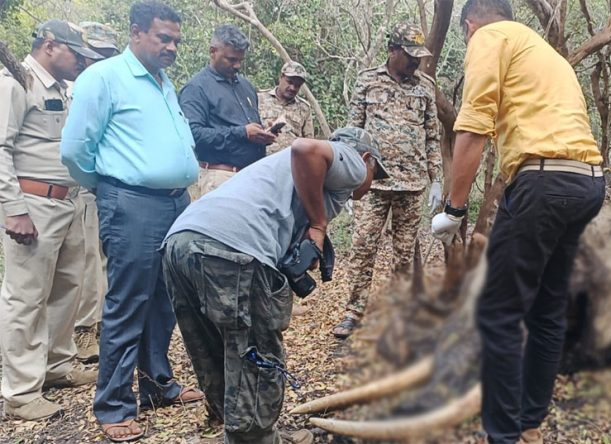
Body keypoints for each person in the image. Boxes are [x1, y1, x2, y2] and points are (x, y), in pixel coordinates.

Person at [431, 1, 605, 443]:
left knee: (498, 313)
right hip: (586, 183)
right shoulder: (546, 52)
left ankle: (503, 436)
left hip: (542, 183)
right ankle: (529, 426)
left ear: (471, 23)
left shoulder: (490, 37)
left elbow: (473, 124)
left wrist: (453, 208)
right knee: (547, 309)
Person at [161, 127, 389, 444]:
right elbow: (306, 148)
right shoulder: (351, 160)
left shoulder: (277, 173)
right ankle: (253, 438)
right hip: (233, 248)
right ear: (366, 159)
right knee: (255, 353)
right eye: (375, 172)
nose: (369, 183)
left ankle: (239, 430)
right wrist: (319, 225)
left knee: (212, 348)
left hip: (181, 241)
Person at [61, 2, 203, 441]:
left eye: (176, 40)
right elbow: (74, 151)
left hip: (174, 202)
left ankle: (158, 384)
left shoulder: (163, 82)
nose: (172, 47)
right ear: (136, 32)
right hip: (132, 203)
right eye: (164, 38)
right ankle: (113, 405)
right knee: (128, 303)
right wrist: (110, 187)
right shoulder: (103, 78)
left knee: (166, 299)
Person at [0, 19, 102, 421]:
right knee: (26, 297)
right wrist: (15, 209)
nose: (81, 61)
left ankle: (57, 365)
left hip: (69, 203)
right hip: (34, 204)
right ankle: (22, 392)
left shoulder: (62, 90)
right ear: (49, 45)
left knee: (68, 288)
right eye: (75, 53)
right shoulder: (15, 84)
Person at [333, 22, 442, 339]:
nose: (415, 62)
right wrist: (349, 181)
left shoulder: (425, 85)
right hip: (372, 186)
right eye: (410, 55)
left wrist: (436, 179)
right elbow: (352, 135)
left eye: (419, 57)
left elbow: (433, 136)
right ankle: (353, 312)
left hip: (412, 185)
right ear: (393, 50)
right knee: (362, 248)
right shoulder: (368, 81)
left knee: (404, 254)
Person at [179, 24, 276, 195]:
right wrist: (243, 132)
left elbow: (248, 128)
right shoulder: (196, 88)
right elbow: (194, 135)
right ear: (213, 51)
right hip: (221, 177)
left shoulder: (246, 86)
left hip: (254, 175)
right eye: (231, 59)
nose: (237, 65)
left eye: (241, 60)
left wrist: (262, 133)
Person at [72, 21, 120, 364]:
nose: (100, 60)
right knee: (87, 266)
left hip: (108, 191)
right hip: (81, 191)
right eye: (95, 54)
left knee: (106, 262)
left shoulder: (111, 87)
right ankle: (84, 332)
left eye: (106, 54)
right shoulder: (76, 89)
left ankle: (102, 328)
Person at [258, 61, 314, 154]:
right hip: (262, 160)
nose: (293, 88)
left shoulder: (304, 108)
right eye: (289, 82)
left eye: (297, 85)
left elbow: (309, 142)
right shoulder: (259, 99)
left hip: (290, 162)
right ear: (281, 77)